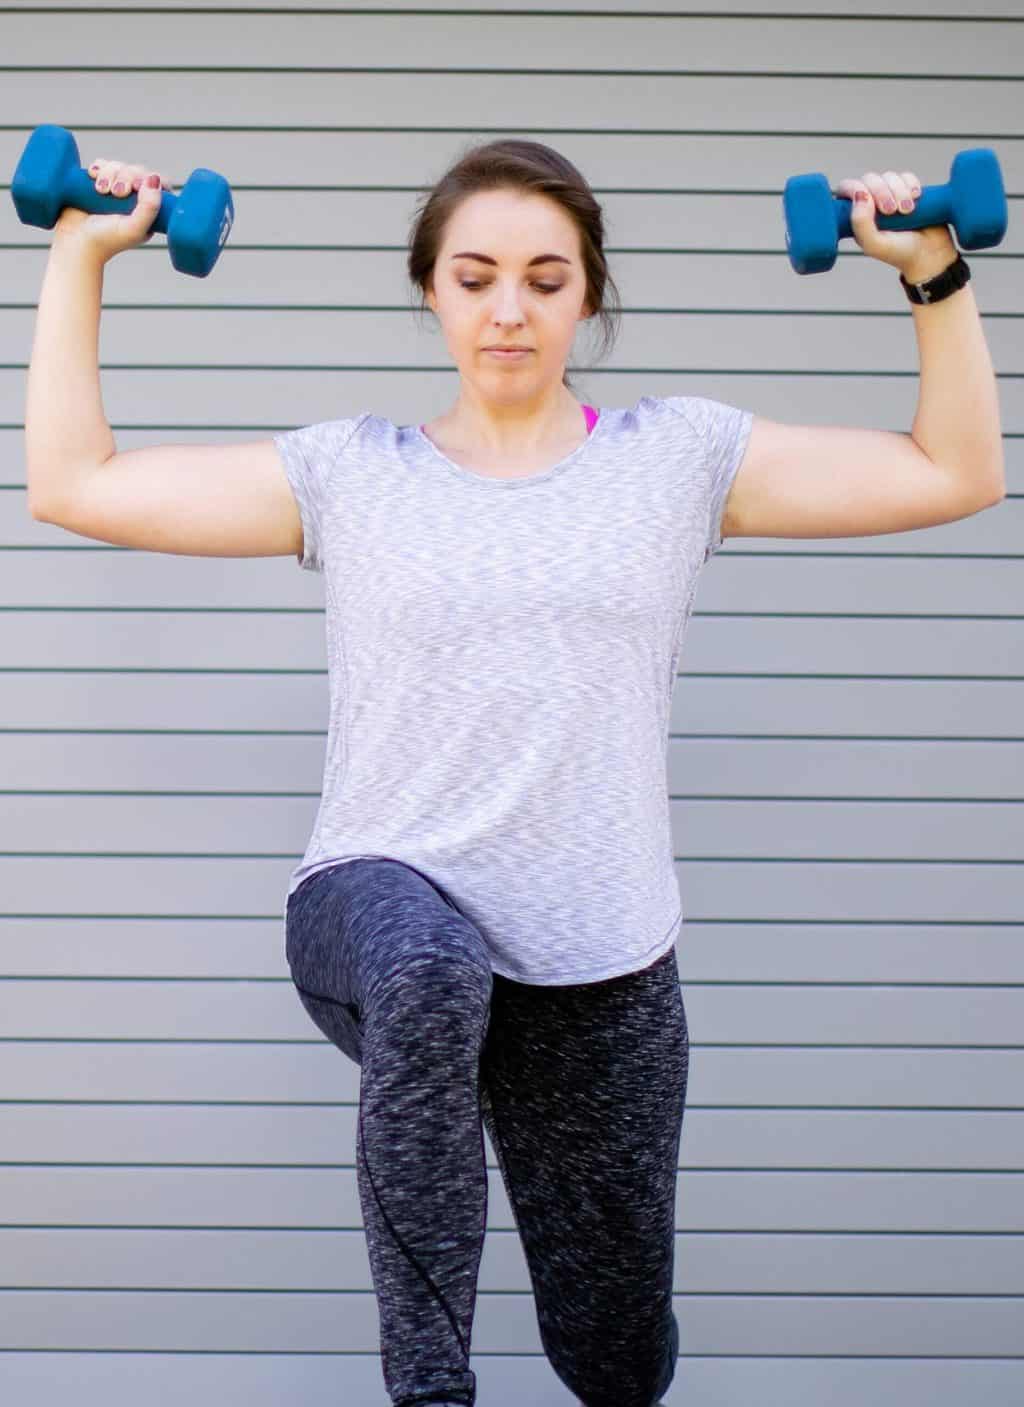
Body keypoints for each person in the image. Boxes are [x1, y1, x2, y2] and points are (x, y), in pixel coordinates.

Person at [26, 138, 1004, 1407]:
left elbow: (957, 472)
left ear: (586, 297)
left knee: (612, 1352)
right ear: (430, 289)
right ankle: (431, 1392)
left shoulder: (676, 459)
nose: (507, 308)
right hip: (377, 900)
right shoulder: (349, 474)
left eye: (545, 279)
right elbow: (72, 482)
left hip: (598, 961)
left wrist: (930, 269)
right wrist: (78, 253)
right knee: (429, 968)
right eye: (476, 275)